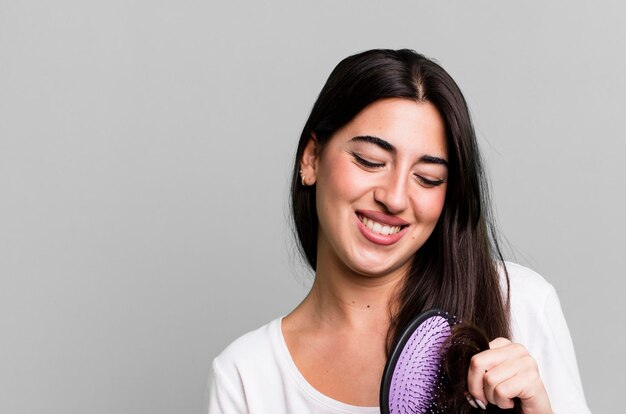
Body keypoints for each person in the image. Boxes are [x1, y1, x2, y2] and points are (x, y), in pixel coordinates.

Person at [208, 49, 590, 413]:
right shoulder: (246, 375)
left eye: (427, 178)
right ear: (311, 159)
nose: (394, 198)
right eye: (370, 161)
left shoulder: (517, 303)